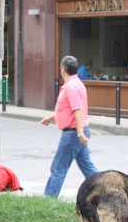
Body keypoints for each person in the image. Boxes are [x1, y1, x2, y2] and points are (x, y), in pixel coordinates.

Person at [40, 55, 98, 198]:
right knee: (87, 167)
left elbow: (78, 110)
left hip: (73, 133)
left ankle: (48, 200)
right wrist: (52, 117)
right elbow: (68, 109)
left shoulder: (71, 86)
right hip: (77, 131)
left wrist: (79, 133)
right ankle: (104, 191)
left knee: (58, 168)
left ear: (63, 69)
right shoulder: (77, 83)